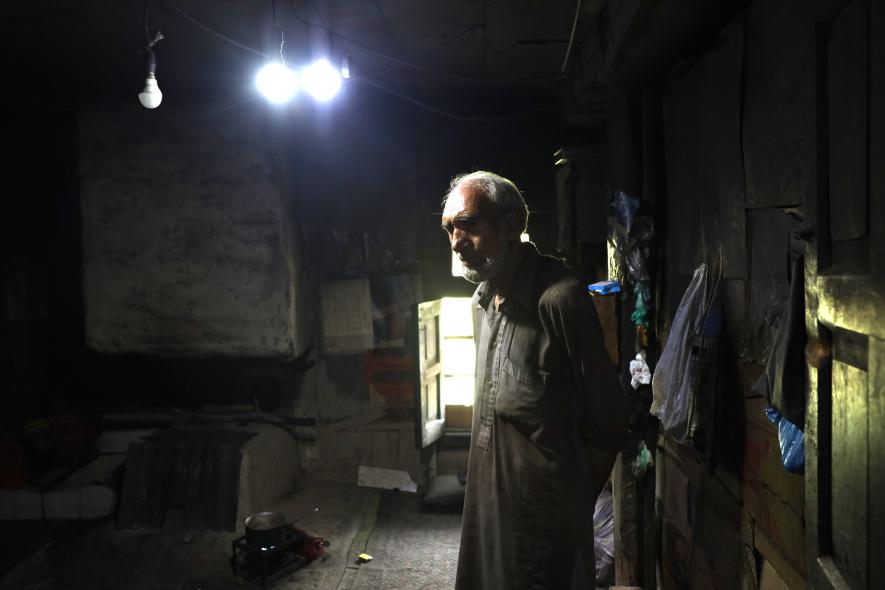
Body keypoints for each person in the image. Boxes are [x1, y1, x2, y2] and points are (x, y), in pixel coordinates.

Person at [441, 170, 629, 589]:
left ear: (513, 225)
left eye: (469, 225)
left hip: (544, 527)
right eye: (450, 229)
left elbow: (611, 422)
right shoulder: (481, 302)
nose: (456, 242)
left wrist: (567, 508)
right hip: (487, 514)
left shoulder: (559, 299)